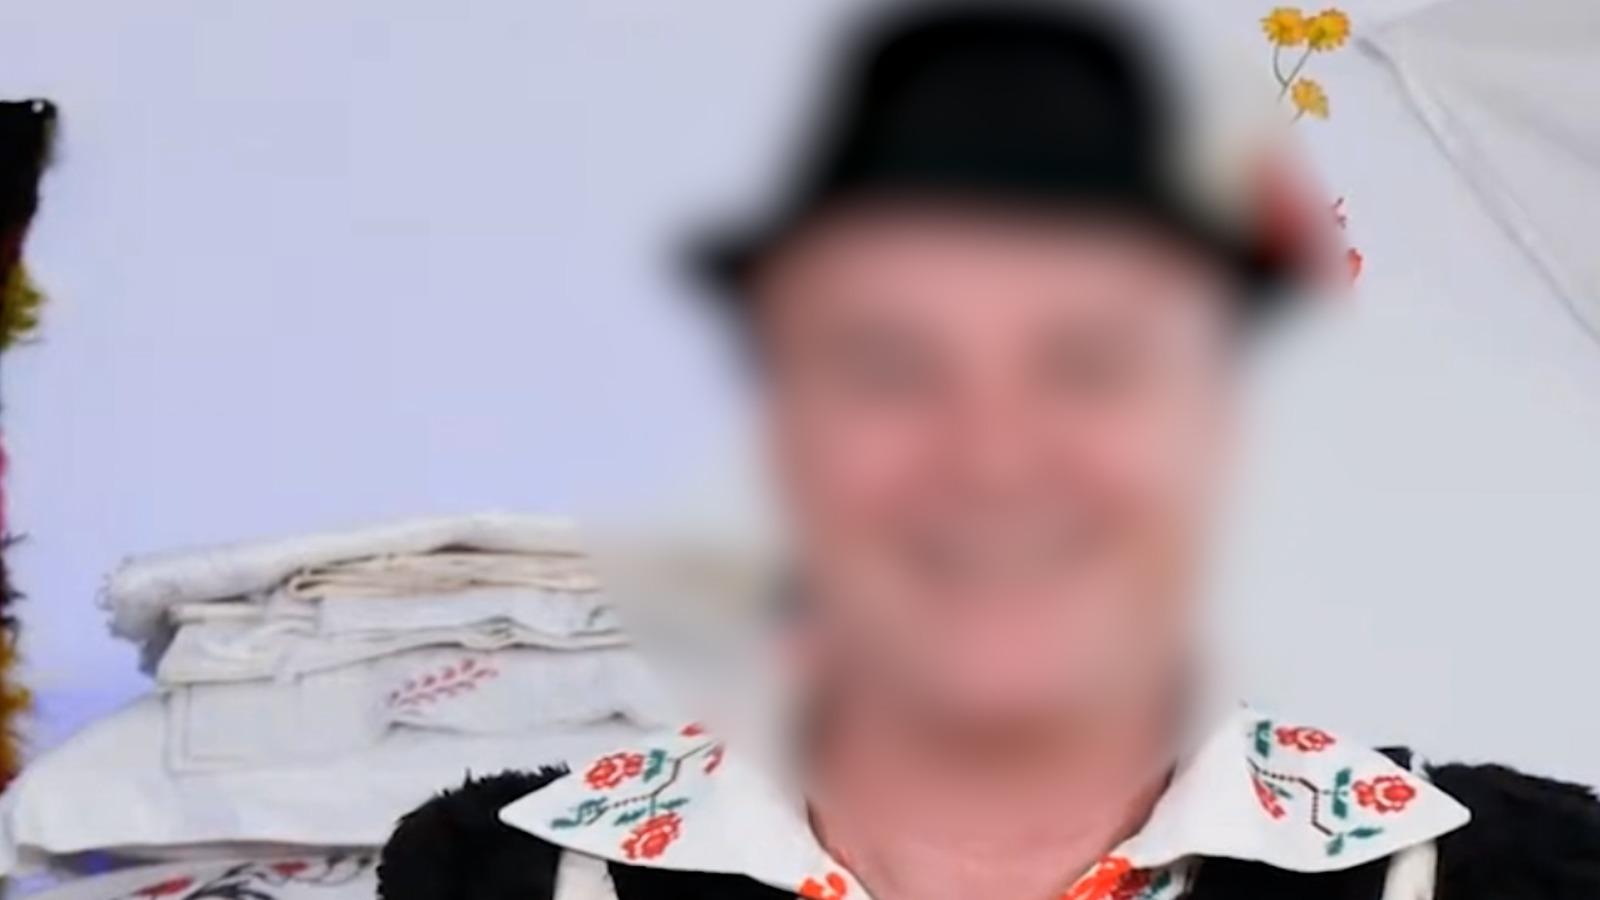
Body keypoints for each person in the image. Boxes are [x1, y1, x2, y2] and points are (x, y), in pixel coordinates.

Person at [377, 3, 1600, 898]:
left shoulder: (1520, 875)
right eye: (894, 365)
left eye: (1087, 364)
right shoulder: (496, 879)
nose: (993, 456)